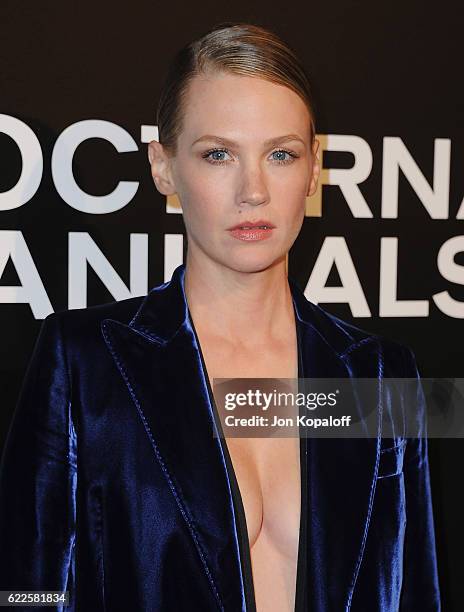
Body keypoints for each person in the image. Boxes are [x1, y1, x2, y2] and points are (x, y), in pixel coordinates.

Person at [0, 21, 441, 612]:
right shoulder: (84, 359)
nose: (253, 190)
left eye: (280, 154)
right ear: (163, 167)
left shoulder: (382, 376)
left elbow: (414, 588)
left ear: (314, 169)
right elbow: (24, 589)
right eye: (218, 155)